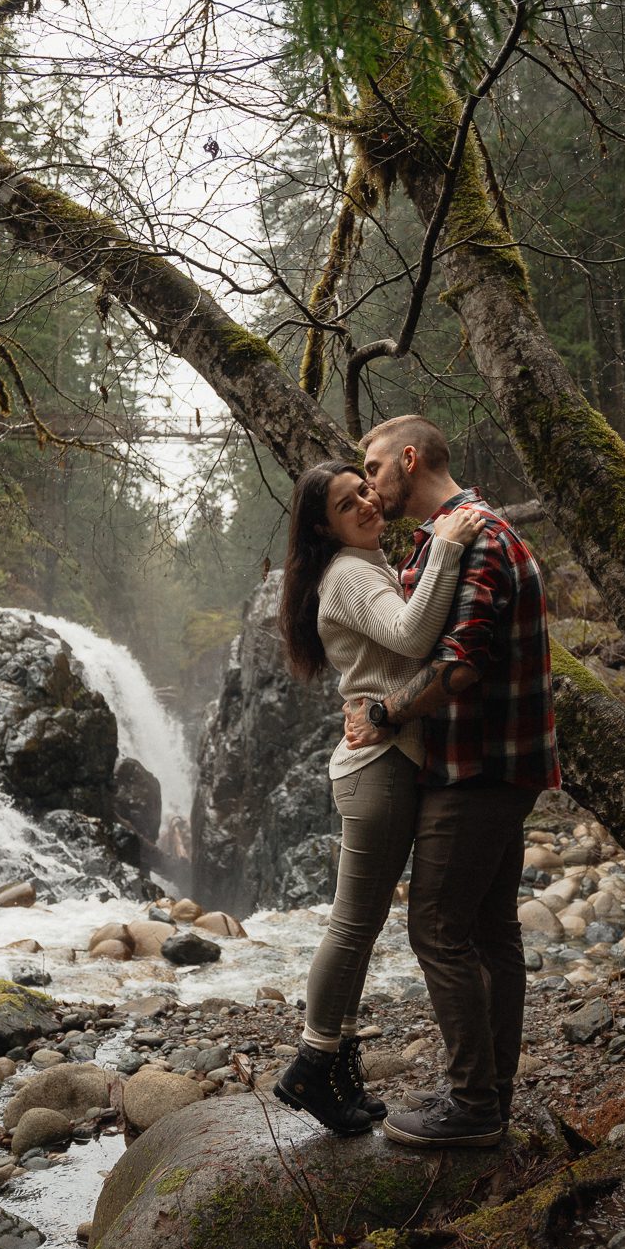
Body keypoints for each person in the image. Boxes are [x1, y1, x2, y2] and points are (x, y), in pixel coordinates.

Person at [346, 414, 560, 1149]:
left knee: (436, 927)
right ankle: (490, 1094)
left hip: (476, 768)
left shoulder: (479, 538)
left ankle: (471, 1104)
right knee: (492, 930)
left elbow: (461, 666)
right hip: (501, 764)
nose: (370, 483)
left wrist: (384, 712)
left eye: (373, 467)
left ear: (409, 458)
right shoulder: (464, 533)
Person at [272, 458, 487, 1134]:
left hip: (384, 760)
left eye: (365, 489)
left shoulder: (360, 569)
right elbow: (413, 635)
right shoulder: (349, 574)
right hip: (381, 766)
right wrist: (450, 543)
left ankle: (337, 1065)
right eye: (346, 503)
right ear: (323, 527)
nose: (367, 500)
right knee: (352, 924)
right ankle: (312, 1062)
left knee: (358, 927)